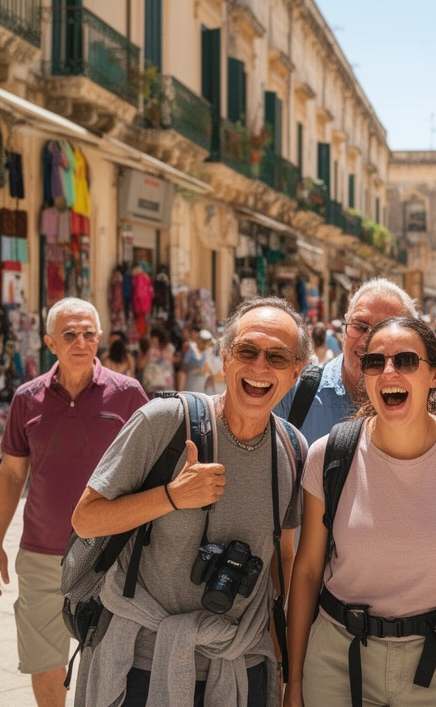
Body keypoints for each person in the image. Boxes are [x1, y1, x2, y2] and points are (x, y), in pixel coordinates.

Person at [72, 298, 311, 707]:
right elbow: (86, 520)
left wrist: (288, 670)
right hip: (142, 664)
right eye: (247, 351)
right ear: (223, 358)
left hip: (241, 665)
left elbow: (281, 565)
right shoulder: (164, 421)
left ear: (295, 373)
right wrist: (170, 496)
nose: (259, 367)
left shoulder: (291, 449)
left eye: (277, 356)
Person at [285, 316, 436, 707]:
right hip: (338, 661)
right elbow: (305, 573)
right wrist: (296, 679)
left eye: (405, 361)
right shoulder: (329, 455)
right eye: (375, 361)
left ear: (434, 375)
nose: (389, 371)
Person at [0, 298, 148, 707]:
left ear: (100, 338)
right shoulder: (27, 398)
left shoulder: (128, 395)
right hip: (41, 552)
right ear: (50, 343)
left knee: (110, 657)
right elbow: (11, 475)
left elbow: (151, 469)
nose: (81, 342)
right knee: (45, 658)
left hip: (111, 552)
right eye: (70, 334)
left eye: (89, 333)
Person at [275, 278, 417, 444]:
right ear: (345, 328)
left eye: (383, 330)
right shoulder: (293, 392)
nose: (367, 341)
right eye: (360, 326)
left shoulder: (424, 404)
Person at [139, 327, 176, 394]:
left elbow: (141, 365)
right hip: (163, 383)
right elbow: (171, 365)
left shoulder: (149, 348)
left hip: (154, 384)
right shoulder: (168, 348)